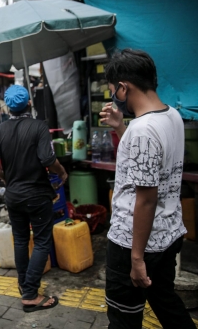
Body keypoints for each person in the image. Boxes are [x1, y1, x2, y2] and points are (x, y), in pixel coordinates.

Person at [99, 49, 193, 329]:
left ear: (124, 88)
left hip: (134, 243)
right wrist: (119, 126)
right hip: (168, 235)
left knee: (123, 318)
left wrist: (136, 258)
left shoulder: (142, 130)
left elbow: (147, 200)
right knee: (165, 301)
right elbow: (148, 163)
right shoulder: (172, 116)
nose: (114, 96)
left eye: (113, 90)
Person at [0, 85, 67, 313]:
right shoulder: (38, 127)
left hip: (13, 195)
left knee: (21, 240)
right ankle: (30, 294)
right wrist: (61, 172)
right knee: (42, 241)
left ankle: (24, 285)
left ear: (8, 107)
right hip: (37, 194)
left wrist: (4, 177)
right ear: (28, 104)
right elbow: (47, 159)